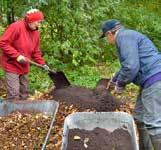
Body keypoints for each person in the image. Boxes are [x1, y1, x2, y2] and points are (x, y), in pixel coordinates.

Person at [100, 19, 161, 150]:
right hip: (150, 81)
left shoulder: (123, 37)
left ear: (110, 33)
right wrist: (115, 78)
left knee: (154, 123)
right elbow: (129, 64)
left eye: (105, 37)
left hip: (155, 79)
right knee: (140, 117)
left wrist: (120, 84)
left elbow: (131, 66)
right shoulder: (128, 36)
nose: (107, 40)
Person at [0, 8, 49, 100]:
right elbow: (3, 43)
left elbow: (35, 51)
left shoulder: (35, 32)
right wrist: (17, 56)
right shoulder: (16, 27)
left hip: (24, 66)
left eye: (40, 22)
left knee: (24, 92)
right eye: (38, 22)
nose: (39, 24)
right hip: (11, 65)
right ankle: (11, 113)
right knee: (14, 94)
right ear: (31, 20)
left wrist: (42, 63)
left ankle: (23, 112)